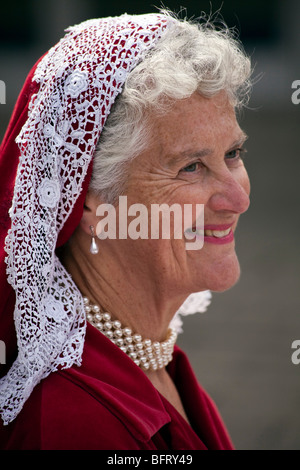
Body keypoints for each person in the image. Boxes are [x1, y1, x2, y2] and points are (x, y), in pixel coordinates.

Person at [0, 10, 252, 450]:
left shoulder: (155, 359)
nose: (238, 199)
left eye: (233, 153)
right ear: (90, 200)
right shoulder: (70, 421)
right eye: (191, 167)